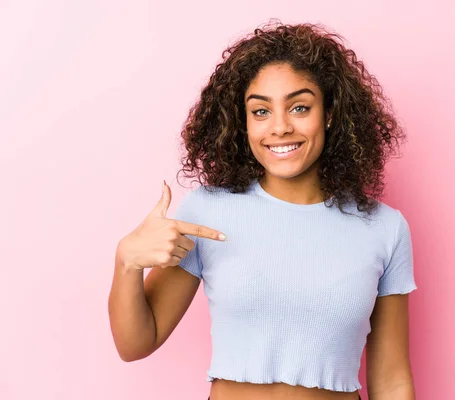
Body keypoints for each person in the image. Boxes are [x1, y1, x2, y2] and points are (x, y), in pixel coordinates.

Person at [108, 20, 417, 400]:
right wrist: (127, 262)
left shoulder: (384, 229)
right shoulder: (208, 211)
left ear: (331, 113)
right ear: (243, 122)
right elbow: (136, 343)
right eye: (260, 111)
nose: (280, 127)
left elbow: (391, 378)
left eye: (300, 107)